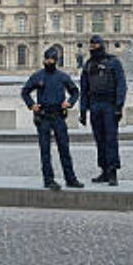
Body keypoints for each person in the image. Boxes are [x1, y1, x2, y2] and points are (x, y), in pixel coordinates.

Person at [21, 48, 84, 191]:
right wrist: (31, 105)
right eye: (47, 59)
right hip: (43, 116)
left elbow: (75, 91)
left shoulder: (62, 76)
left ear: (56, 60)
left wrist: (70, 102)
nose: (49, 62)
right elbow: (25, 91)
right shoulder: (37, 76)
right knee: (45, 151)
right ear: (44, 60)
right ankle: (48, 180)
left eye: (51, 60)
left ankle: (70, 179)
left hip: (58, 116)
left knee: (64, 149)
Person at [79, 35, 126, 186]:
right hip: (95, 105)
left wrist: (119, 106)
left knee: (110, 139)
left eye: (95, 45)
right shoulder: (88, 65)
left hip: (109, 105)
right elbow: (84, 89)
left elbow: (121, 85)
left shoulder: (113, 62)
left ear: (102, 45)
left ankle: (113, 172)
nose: (93, 48)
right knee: (99, 139)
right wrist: (82, 111)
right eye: (91, 46)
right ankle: (104, 170)